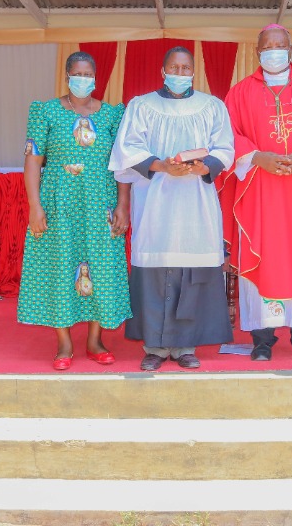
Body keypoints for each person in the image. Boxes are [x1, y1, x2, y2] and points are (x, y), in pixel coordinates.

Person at [110, 46, 235, 371]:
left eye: (185, 68)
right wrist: (163, 167)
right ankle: (154, 347)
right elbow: (128, 149)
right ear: (163, 71)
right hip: (155, 204)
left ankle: (185, 346)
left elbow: (225, 147)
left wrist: (203, 167)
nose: (179, 74)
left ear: (193, 72)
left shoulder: (212, 106)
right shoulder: (141, 106)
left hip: (196, 205)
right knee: (155, 272)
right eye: (174, 68)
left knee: (191, 272)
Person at [218, 24, 292, 362]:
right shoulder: (239, 93)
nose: (273, 51)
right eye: (267, 46)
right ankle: (263, 339)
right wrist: (257, 157)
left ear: (290, 49)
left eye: (279, 45)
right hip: (259, 191)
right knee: (260, 257)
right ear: (257, 52)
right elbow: (227, 135)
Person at [18, 52, 132, 370]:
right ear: (67, 75)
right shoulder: (46, 112)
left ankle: (95, 341)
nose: (84, 78)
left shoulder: (111, 115)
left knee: (102, 268)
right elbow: (32, 160)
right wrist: (34, 206)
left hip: (101, 205)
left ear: (96, 77)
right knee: (60, 266)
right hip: (59, 206)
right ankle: (64, 343)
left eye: (89, 73)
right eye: (77, 73)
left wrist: (123, 205)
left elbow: (121, 165)